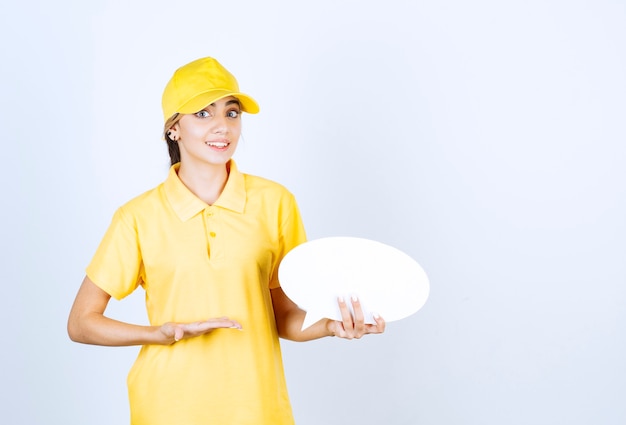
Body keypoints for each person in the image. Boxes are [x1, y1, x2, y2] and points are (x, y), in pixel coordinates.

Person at [67, 56, 385, 425]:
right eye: (203, 113)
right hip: (167, 408)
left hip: (257, 409)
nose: (222, 126)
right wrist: (160, 334)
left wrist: (332, 325)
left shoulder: (275, 202)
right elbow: (81, 322)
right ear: (174, 129)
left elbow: (283, 318)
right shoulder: (137, 217)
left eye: (231, 113)